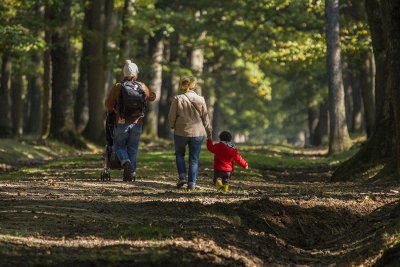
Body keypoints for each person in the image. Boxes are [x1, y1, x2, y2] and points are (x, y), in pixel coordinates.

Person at [105, 60, 156, 181]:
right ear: (135, 75)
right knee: (133, 148)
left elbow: (109, 105)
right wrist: (150, 93)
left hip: (121, 121)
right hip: (137, 123)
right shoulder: (142, 86)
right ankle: (131, 173)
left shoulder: (118, 87)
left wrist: (112, 110)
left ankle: (125, 161)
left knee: (118, 146)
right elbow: (151, 97)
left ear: (124, 74)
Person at [168, 76, 212, 190]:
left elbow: (171, 115)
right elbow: (205, 118)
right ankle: (191, 183)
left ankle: (182, 176)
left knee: (179, 155)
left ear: (182, 85)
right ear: (194, 86)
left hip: (181, 132)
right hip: (198, 133)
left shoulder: (177, 98)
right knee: (194, 159)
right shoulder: (201, 99)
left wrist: (172, 125)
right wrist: (209, 133)